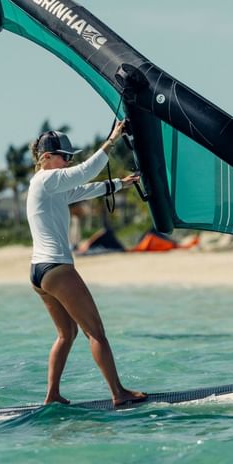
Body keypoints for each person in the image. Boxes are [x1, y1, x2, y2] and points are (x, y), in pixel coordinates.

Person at [27, 121, 147, 407]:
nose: (69, 161)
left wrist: (121, 183)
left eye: (70, 156)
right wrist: (113, 138)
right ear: (46, 158)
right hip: (56, 268)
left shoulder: (47, 187)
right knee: (96, 333)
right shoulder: (47, 179)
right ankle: (118, 393)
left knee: (66, 334)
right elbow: (86, 171)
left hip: (38, 272)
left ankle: (52, 394)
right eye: (64, 156)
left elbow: (84, 189)